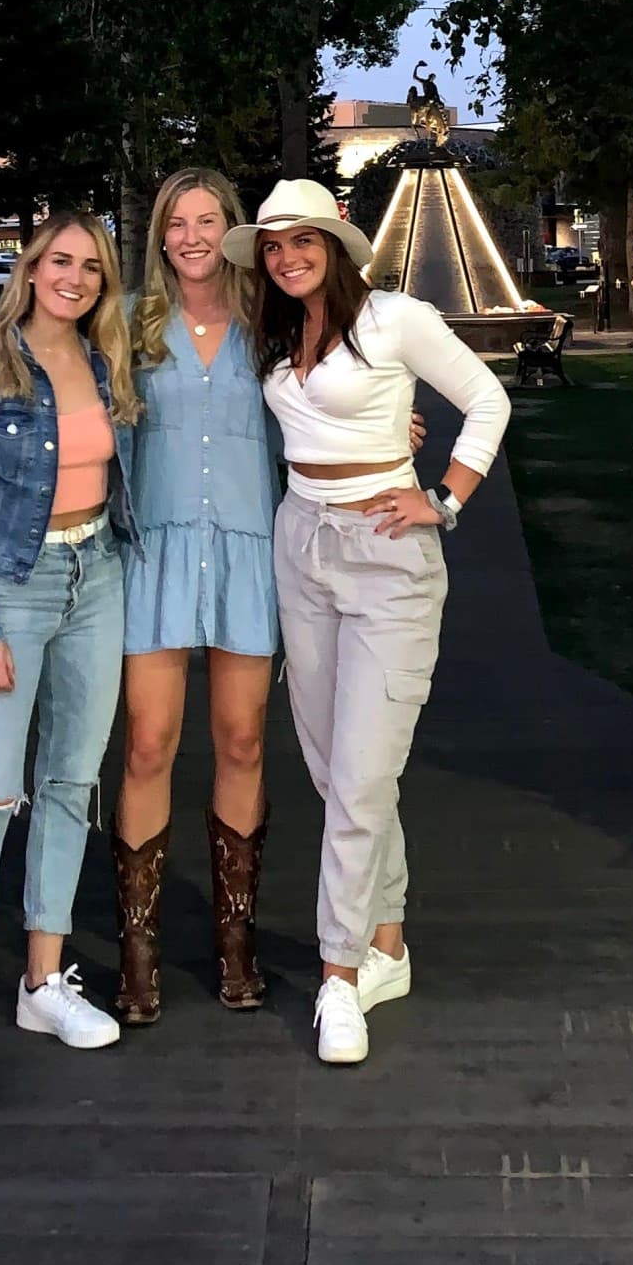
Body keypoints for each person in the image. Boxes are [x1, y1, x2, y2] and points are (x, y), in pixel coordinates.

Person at [225, 178, 510, 1067]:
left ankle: (339, 976)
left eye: (303, 241)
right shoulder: (275, 333)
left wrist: (445, 499)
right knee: (332, 767)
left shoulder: (396, 318)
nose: (287, 258)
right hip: (301, 545)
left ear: (339, 246)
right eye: (273, 247)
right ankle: (387, 939)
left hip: (387, 555)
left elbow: (488, 397)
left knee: (358, 777)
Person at [0, 212, 141, 1127]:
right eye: (61, 260)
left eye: (92, 266)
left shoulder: (106, 364)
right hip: (13, 587)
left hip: (99, 578)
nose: (76, 277)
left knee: (69, 783)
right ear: (32, 267)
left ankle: (42, 980)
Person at [113, 169, 277, 1022]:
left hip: (248, 556)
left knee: (242, 740)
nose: (190, 234)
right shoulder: (132, 324)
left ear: (231, 228)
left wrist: (388, 425)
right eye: (176, 221)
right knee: (147, 743)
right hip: (158, 558)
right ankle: (138, 957)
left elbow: (321, 409)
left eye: (207, 219)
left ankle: (236, 946)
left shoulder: (268, 325)